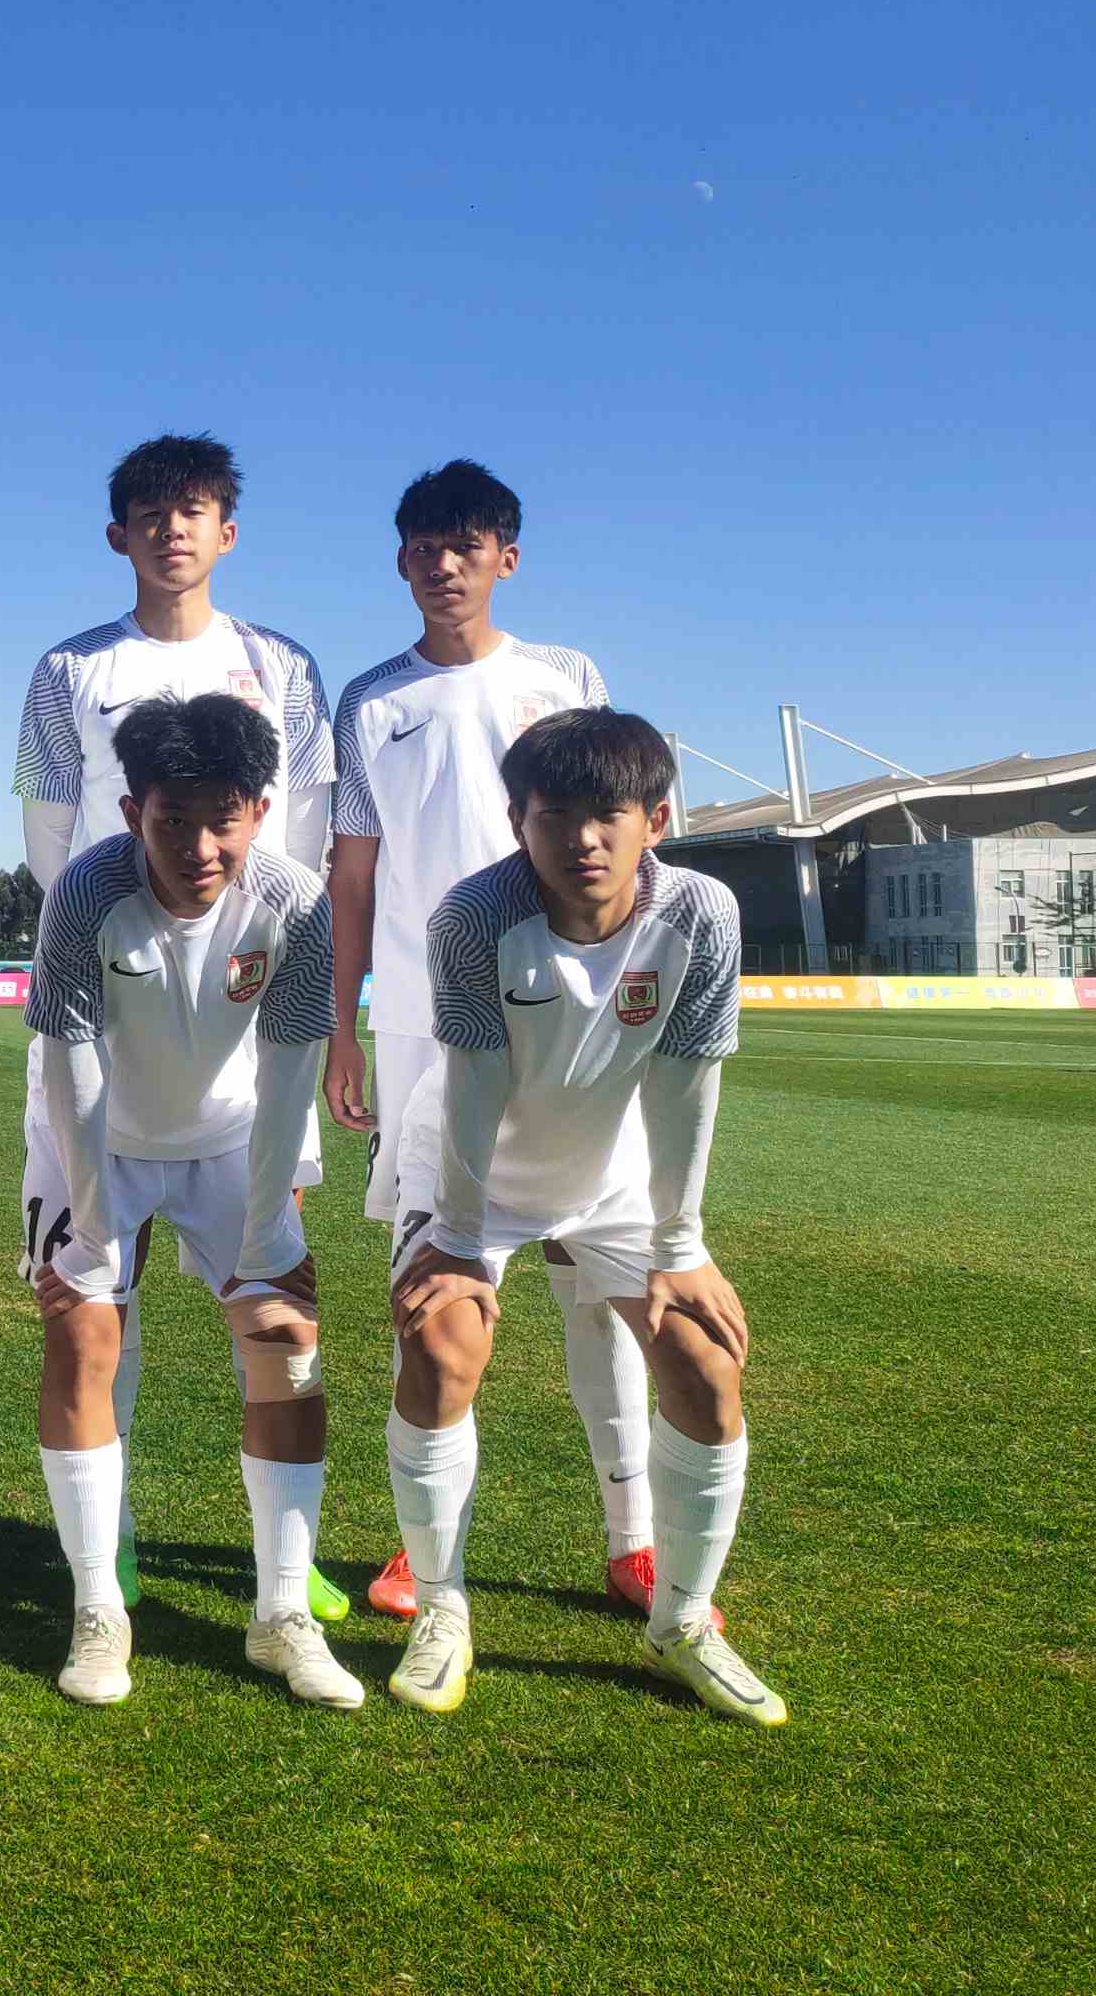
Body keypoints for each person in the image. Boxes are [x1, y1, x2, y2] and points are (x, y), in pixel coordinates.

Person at [384, 707, 783, 1726]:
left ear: (656, 819)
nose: (583, 839)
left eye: (608, 814)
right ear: (517, 820)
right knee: (442, 1347)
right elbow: (473, 1085)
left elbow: (687, 1083)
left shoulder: (701, 913)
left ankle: (681, 1625)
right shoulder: (474, 916)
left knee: (705, 1362)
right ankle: (442, 1610)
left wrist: (680, 1246)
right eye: (553, 814)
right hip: (468, 1169)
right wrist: (458, 1239)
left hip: (613, 1174)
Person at [11, 432, 347, 1626]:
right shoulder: (70, 668)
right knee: (97, 1311)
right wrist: (128, 935)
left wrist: (231, 931)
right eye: (149, 513)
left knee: (277, 1317)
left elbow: (298, 832)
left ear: (226, 531)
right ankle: (106, 1558)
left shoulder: (281, 664)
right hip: (112, 996)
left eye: (192, 510)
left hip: (237, 1030)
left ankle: (285, 1567)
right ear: (118, 533)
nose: (170, 530)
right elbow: (49, 833)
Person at [322, 459, 660, 1624]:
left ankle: (633, 1539)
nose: (443, 564)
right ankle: (418, 1544)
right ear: (399, 561)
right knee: (429, 1285)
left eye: (465, 545)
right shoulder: (369, 700)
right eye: (423, 546)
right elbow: (352, 876)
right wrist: (343, 1027)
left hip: (570, 1012)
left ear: (504, 559)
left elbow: (620, 837)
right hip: (427, 1028)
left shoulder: (564, 676)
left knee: (596, 1271)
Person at [27, 694, 360, 1711]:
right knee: (84, 1336)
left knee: (284, 1338)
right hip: (97, 1142)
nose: (199, 848)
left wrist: (264, 1230)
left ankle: (281, 1615)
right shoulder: (86, 891)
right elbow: (71, 1065)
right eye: (173, 820)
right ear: (134, 812)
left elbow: (289, 1066)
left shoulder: (294, 900)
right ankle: (99, 1606)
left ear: (258, 810)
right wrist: (91, 1227)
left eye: (223, 819)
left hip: (228, 1142)